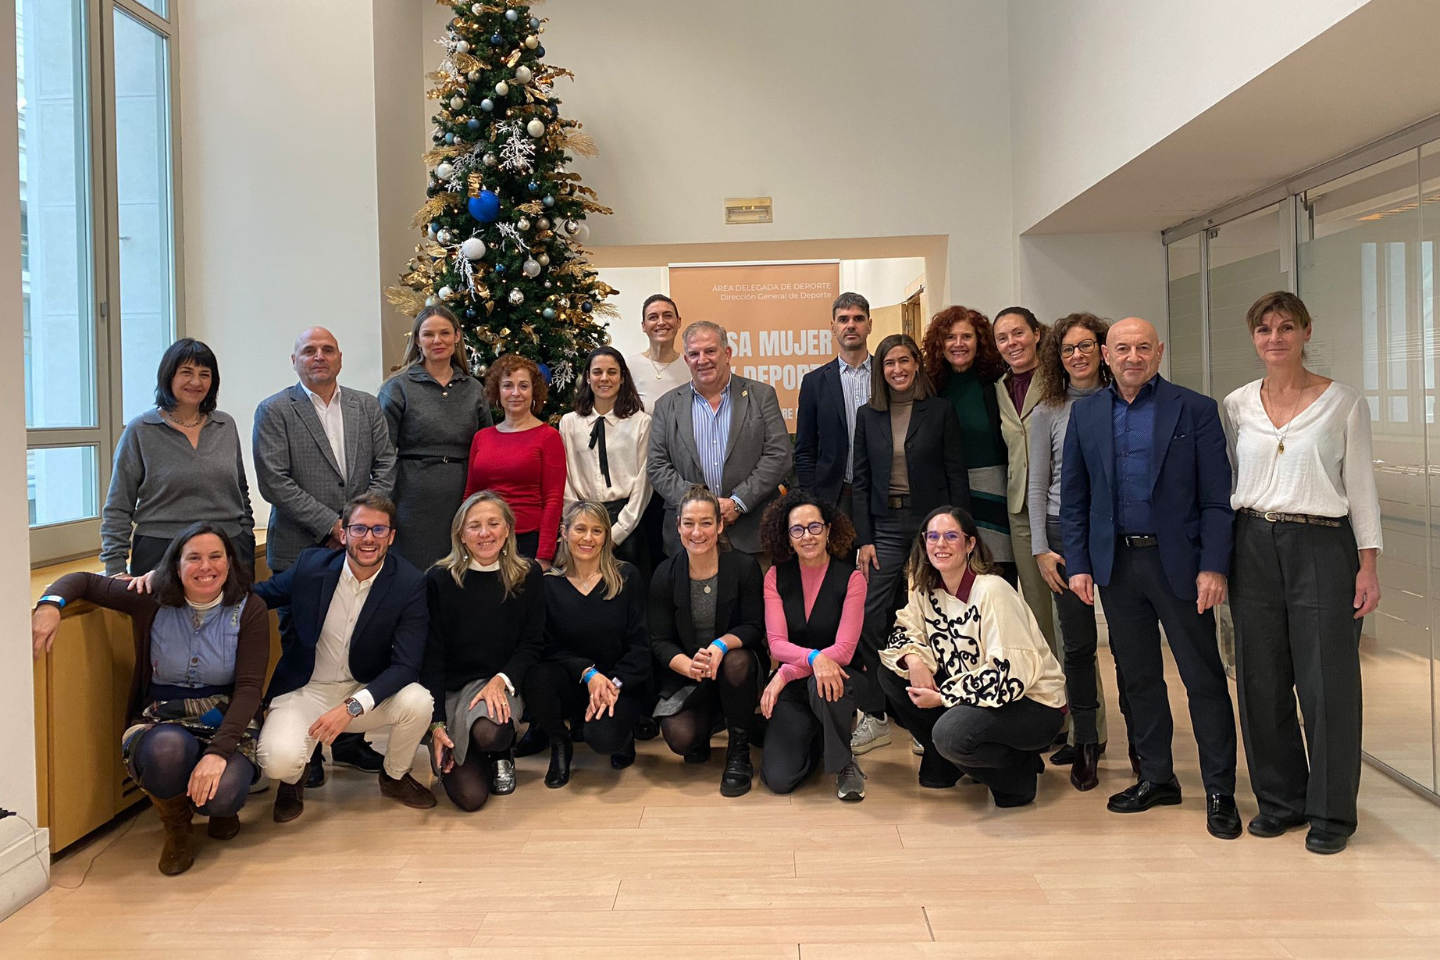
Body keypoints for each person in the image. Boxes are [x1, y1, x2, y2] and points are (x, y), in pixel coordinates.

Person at [1060, 317, 1241, 840]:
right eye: (1122, 348)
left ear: (1159, 352)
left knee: (1202, 678)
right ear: (1106, 355)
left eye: (1143, 347)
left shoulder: (1195, 409)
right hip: (1117, 566)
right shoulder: (1086, 413)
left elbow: (1217, 499)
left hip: (1179, 564)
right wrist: (1079, 564)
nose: (1132, 357)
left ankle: (1220, 790)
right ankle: (1158, 778)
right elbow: (1075, 498)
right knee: (1138, 677)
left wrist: (1214, 566)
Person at [1224, 291, 1382, 855]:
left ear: (1306, 332)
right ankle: (1280, 801)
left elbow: (1360, 486)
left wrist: (1368, 564)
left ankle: (1331, 814)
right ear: (1254, 338)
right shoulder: (1238, 404)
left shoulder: (1343, 402)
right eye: (1264, 329)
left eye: (1286, 327)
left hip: (1322, 544)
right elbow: (1232, 480)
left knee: (1327, 682)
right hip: (1252, 542)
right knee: (1260, 679)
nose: (1275, 338)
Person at [33, 525, 267, 875]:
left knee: (223, 795)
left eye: (216, 556)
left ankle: (218, 807)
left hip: (227, 716)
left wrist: (218, 753)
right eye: (194, 558)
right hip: (161, 716)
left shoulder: (250, 608)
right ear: (175, 566)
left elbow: (249, 689)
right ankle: (177, 827)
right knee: (166, 751)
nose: (206, 567)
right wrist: (50, 604)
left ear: (230, 563)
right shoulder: (149, 598)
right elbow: (82, 581)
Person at [254, 325, 397, 784]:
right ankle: (309, 750)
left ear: (340, 358)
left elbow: (386, 465)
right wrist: (333, 526)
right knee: (303, 644)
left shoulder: (366, 406)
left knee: (359, 637)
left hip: (361, 546)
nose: (319, 356)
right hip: (301, 546)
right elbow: (274, 480)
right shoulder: (275, 410)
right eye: (309, 350)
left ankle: (350, 740)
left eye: (327, 350)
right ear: (294, 360)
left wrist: (359, 525)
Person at [253, 494, 437, 821]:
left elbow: (406, 665)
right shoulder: (311, 566)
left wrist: (352, 707)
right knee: (277, 762)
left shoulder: (409, 583)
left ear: (391, 536)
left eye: (379, 530)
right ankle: (293, 779)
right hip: (306, 688)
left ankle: (394, 777)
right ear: (343, 533)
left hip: (362, 689)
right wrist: (199, 592)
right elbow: (261, 597)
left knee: (419, 701)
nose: (369, 538)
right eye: (359, 528)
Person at [881, 507, 1066, 807]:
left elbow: (1009, 676)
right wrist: (914, 660)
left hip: (1031, 703)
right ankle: (948, 761)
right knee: (892, 672)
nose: (940, 544)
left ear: (970, 544)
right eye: (933, 537)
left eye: (951, 536)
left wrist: (943, 698)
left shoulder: (992, 590)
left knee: (950, 735)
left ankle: (1017, 773)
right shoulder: (927, 589)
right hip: (976, 693)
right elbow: (902, 632)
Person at [850, 333, 969, 756]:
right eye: (889, 363)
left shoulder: (939, 411)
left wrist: (959, 532)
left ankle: (927, 714)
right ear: (880, 370)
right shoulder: (868, 415)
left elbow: (956, 474)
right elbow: (861, 480)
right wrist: (864, 539)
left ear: (917, 364)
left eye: (904, 361)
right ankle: (877, 712)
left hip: (931, 525)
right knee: (869, 614)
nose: (897, 369)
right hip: (884, 525)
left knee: (935, 613)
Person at [1027, 313, 1129, 789]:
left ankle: (1141, 743)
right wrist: (1041, 548)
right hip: (1062, 535)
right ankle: (1086, 740)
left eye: (1086, 345)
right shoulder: (1048, 410)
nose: (1078, 355)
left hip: (1117, 533)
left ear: (1103, 350)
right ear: (1057, 357)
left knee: (1128, 644)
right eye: (1068, 349)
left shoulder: (1125, 400)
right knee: (1078, 644)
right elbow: (1037, 484)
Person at [423, 491, 545, 811]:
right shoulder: (439, 579)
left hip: (498, 684)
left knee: (491, 732)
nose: (484, 533)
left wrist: (502, 680)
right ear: (461, 535)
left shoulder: (527, 574)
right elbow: (430, 656)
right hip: (451, 691)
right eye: (474, 526)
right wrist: (436, 723)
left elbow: (532, 642)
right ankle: (469, 751)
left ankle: (499, 752)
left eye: (493, 523)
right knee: (470, 798)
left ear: (508, 530)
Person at [100, 339, 255, 578]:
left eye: (204, 374)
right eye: (186, 372)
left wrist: (246, 536)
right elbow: (119, 505)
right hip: (161, 551)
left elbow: (240, 491)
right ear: (168, 376)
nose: (196, 382)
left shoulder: (225, 425)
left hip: (227, 547)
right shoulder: (141, 429)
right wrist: (115, 568)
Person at [649, 485, 767, 796]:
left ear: (720, 525)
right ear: (678, 526)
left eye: (705, 523)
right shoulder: (664, 574)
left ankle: (738, 748)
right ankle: (720, 717)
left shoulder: (743, 567)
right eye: (689, 523)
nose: (697, 532)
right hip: (691, 673)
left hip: (736, 668)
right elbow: (659, 640)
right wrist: (688, 666)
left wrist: (720, 645)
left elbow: (754, 626)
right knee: (681, 739)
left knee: (736, 661)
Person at [525, 501, 652, 787]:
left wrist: (613, 685)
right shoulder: (548, 584)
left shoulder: (626, 577)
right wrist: (587, 672)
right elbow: (546, 647)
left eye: (597, 530)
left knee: (604, 739)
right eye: (580, 529)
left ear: (606, 536)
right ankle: (560, 743)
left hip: (618, 685)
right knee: (536, 676)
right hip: (574, 680)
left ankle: (624, 734)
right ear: (564, 532)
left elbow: (640, 647)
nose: (588, 538)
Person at [648, 321, 793, 559]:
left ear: (727, 354)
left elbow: (779, 456)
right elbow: (657, 466)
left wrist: (738, 502)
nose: (702, 360)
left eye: (710, 351)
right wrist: (700, 506)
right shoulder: (667, 405)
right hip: (690, 538)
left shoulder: (761, 395)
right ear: (686, 360)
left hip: (752, 534)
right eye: (694, 354)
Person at [757, 490, 867, 801]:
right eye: (797, 530)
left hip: (842, 678)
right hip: (796, 688)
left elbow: (844, 650)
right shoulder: (775, 576)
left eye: (814, 527)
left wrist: (784, 674)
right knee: (779, 780)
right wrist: (814, 658)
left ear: (828, 530)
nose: (807, 536)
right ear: (787, 537)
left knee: (824, 683)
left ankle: (845, 763)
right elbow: (777, 645)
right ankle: (821, 736)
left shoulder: (852, 579)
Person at [378, 305, 493, 569]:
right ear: (417, 340)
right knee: (413, 573)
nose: (437, 340)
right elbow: (382, 453)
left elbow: (485, 449)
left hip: (462, 498)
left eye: (444, 333)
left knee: (458, 574)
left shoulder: (473, 389)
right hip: (411, 499)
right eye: (428, 334)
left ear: (457, 337)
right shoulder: (397, 387)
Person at [922, 306, 1014, 579]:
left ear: (980, 341)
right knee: (957, 576)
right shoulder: (929, 387)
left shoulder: (998, 382)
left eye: (967, 336)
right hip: (947, 491)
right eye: (950, 337)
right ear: (939, 344)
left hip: (996, 489)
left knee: (999, 574)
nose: (958, 344)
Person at [993, 306, 1058, 659]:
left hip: (1059, 506)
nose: (1012, 343)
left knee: (1068, 618)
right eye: (1002, 338)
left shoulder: (1058, 378)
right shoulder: (999, 388)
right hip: (1019, 510)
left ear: (1036, 334)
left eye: (1018, 333)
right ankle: (1050, 693)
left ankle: (1082, 696)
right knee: (1036, 612)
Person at [463, 353, 566, 568]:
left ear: (534, 392)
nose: (515, 393)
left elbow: (553, 500)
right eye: (508, 386)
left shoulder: (548, 437)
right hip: (485, 540)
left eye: (523, 386)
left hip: (528, 542)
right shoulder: (481, 437)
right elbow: (471, 494)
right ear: (497, 392)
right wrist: (464, 540)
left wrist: (544, 554)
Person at [559, 346, 653, 571]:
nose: (604, 378)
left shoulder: (641, 423)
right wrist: (576, 524)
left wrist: (617, 534)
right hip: (582, 522)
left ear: (622, 378)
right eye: (597, 372)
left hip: (626, 524)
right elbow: (565, 477)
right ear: (587, 377)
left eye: (612, 372)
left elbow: (644, 482)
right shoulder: (569, 423)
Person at [626, 294, 690, 577]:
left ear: (679, 321)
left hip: (679, 474)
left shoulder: (692, 366)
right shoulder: (627, 368)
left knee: (675, 552)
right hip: (638, 474)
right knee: (644, 550)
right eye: (653, 317)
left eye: (667, 316)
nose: (661, 322)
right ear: (643, 325)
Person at [794, 292, 873, 516]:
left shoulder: (885, 376)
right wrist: (811, 500)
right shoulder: (814, 382)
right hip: (833, 497)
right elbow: (804, 450)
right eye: (843, 319)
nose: (851, 325)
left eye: (858, 319)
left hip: (879, 496)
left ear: (869, 325)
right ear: (833, 327)